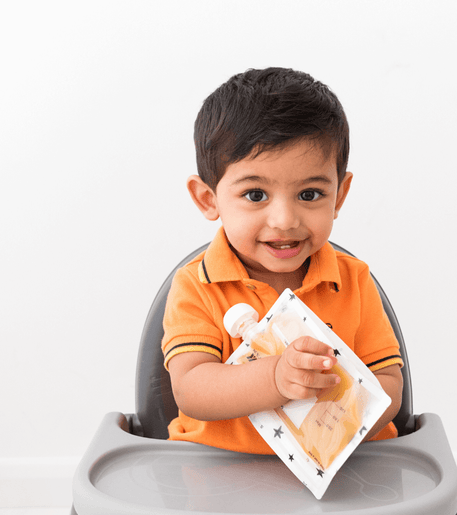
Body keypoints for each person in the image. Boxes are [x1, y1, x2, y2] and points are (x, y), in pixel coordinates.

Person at [162, 67, 403, 454]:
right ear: (209, 199)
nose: (285, 221)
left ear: (339, 196)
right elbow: (192, 390)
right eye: (256, 195)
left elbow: (389, 385)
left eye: (309, 195)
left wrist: (336, 393)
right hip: (215, 474)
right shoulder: (197, 286)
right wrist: (275, 378)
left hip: (346, 471)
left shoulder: (354, 280)